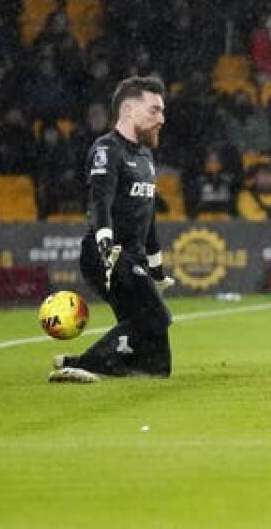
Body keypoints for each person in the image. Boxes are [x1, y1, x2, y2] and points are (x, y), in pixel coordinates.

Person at [49, 76, 176, 383]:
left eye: (162, 111)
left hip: (134, 257)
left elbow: (148, 218)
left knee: (158, 365)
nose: (161, 119)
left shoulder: (145, 155)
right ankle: (84, 365)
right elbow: (100, 201)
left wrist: (157, 270)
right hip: (108, 254)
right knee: (157, 316)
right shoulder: (107, 149)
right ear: (129, 110)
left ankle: (87, 361)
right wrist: (106, 244)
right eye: (154, 110)